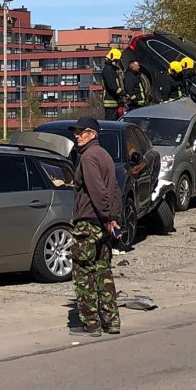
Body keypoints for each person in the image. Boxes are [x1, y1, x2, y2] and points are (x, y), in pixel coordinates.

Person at [68, 116, 121, 337]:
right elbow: (115, 190)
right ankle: (112, 321)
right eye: (76, 132)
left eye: (82, 132)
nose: (77, 135)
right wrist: (114, 218)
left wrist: (108, 216)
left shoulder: (89, 157)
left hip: (89, 223)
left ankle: (91, 324)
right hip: (103, 223)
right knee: (103, 272)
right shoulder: (105, 156)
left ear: (93, 134)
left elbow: (98, 191)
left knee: (83, 274)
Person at [101, 48, 125, 120]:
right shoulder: (108, 70)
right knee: (111, 124)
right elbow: (112, 86)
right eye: (116, 60)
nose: (117, 62)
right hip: (111, 102)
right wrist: (123, 92)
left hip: (115, 102)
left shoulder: (112, 69)